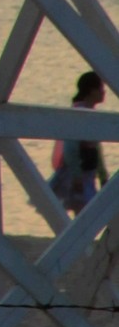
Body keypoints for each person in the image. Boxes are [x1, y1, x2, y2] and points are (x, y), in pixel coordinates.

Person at [51, 70, 108, 218]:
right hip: (77, 174)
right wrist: (77, 176)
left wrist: (102, 174)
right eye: (100, 88)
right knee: (83, 213)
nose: (103, 92)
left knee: (84, 213)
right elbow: (71, 147)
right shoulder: (80, 113)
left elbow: (96, 147)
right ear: (91, 90)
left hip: (86, 173)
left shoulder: (89, 112)